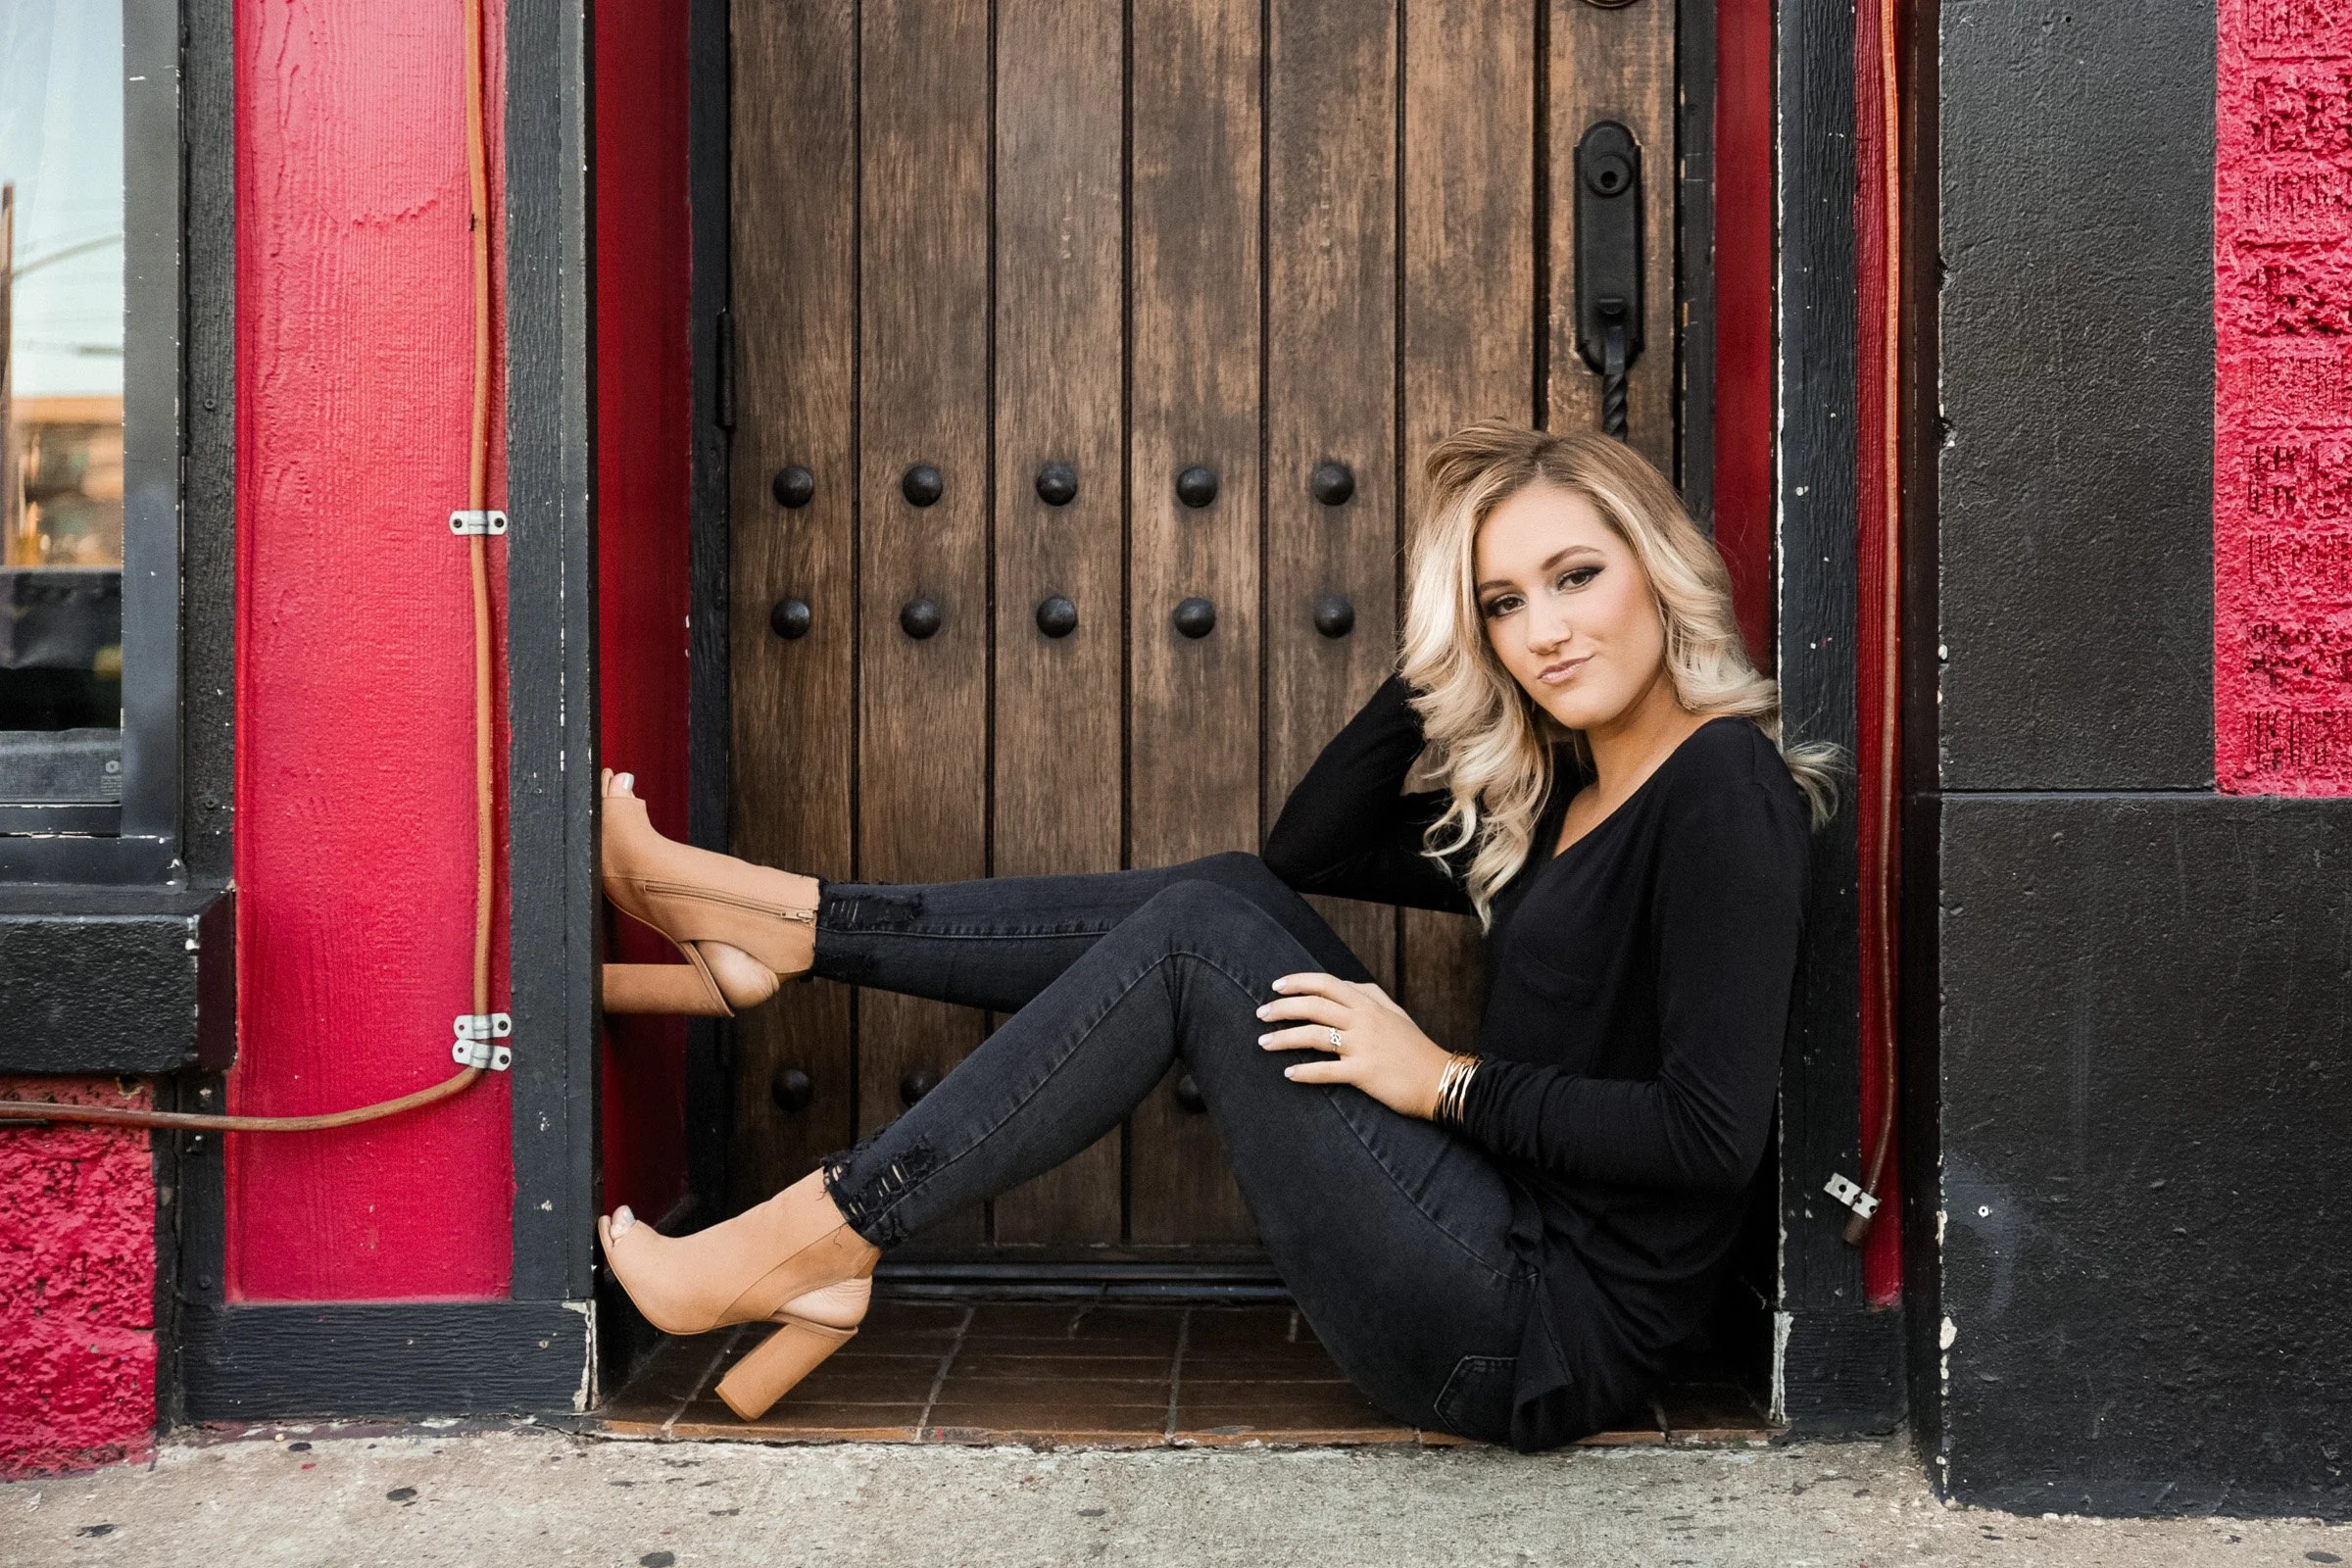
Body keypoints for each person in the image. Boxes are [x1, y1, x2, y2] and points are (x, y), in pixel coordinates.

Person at [593, 420, 1837, 1450]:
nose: (1547, 630)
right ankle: (787, 927)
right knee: (1227, 891)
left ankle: (825, 1230)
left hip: (1533, 1336)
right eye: (1507, 603)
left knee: (1199, 935)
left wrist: (1444, 1082)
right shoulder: (1567, 797)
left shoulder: (1724, 788)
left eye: (1577, 577)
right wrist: (1441, 652)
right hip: (1487, 1247)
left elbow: (1710, 1136)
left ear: (1657, 566)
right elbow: (1310, 851)